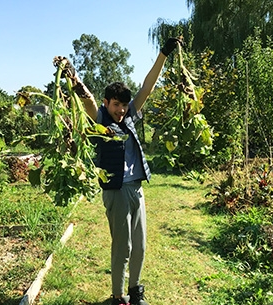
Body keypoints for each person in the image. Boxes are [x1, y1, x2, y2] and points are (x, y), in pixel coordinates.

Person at [66, 37, 181, 305]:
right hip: (115, 191)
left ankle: (135, 292)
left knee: (139, 246)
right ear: (107, 103)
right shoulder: (99, 120)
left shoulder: (129, 117)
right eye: (116, 104)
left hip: (136, 189)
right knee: (123, 246)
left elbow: (147, 88)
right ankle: (118, 297)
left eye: (124, 105)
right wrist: (71, 74)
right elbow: (87, 99)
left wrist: (163, 54)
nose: (121, 110)